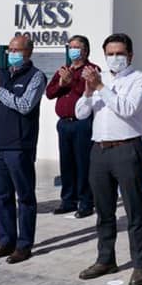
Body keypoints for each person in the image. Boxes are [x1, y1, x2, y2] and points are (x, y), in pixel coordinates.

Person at [76, 33, 142, 285]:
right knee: (104, 210)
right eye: (110, 54)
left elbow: (128, 109)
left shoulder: (139, 79)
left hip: (126, 149)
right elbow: (81, 113)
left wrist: (100, 87)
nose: (115, 58)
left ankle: (140, 265)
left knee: (134, 210)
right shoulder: (101, 79)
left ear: (130, 55)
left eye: (120, 53)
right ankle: (105, 259)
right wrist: (88, 92)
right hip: (99, 150)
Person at [0, 35, 46, 264]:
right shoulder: (2, 74)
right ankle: (5, 241)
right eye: (10, 49)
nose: (12, 54)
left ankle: (24, 245)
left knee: (24, 197)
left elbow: (25, 106)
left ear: (29, 52)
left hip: (19, 146)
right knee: (2, 196)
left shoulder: (36, 76)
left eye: (17, 50)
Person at [45, 35, 97, 219]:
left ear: (85, 50)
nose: (73, 50)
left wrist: (72, 82)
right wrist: (61, 83)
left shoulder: (92, 70)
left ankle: (86, 202)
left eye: (77, 47)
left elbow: (88, 93)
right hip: (64, 123)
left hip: (82, 123)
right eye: (71, 47)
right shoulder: (64, 70)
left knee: (83, 163)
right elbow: (49, 93)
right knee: (66, 163)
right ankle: (68, 201)